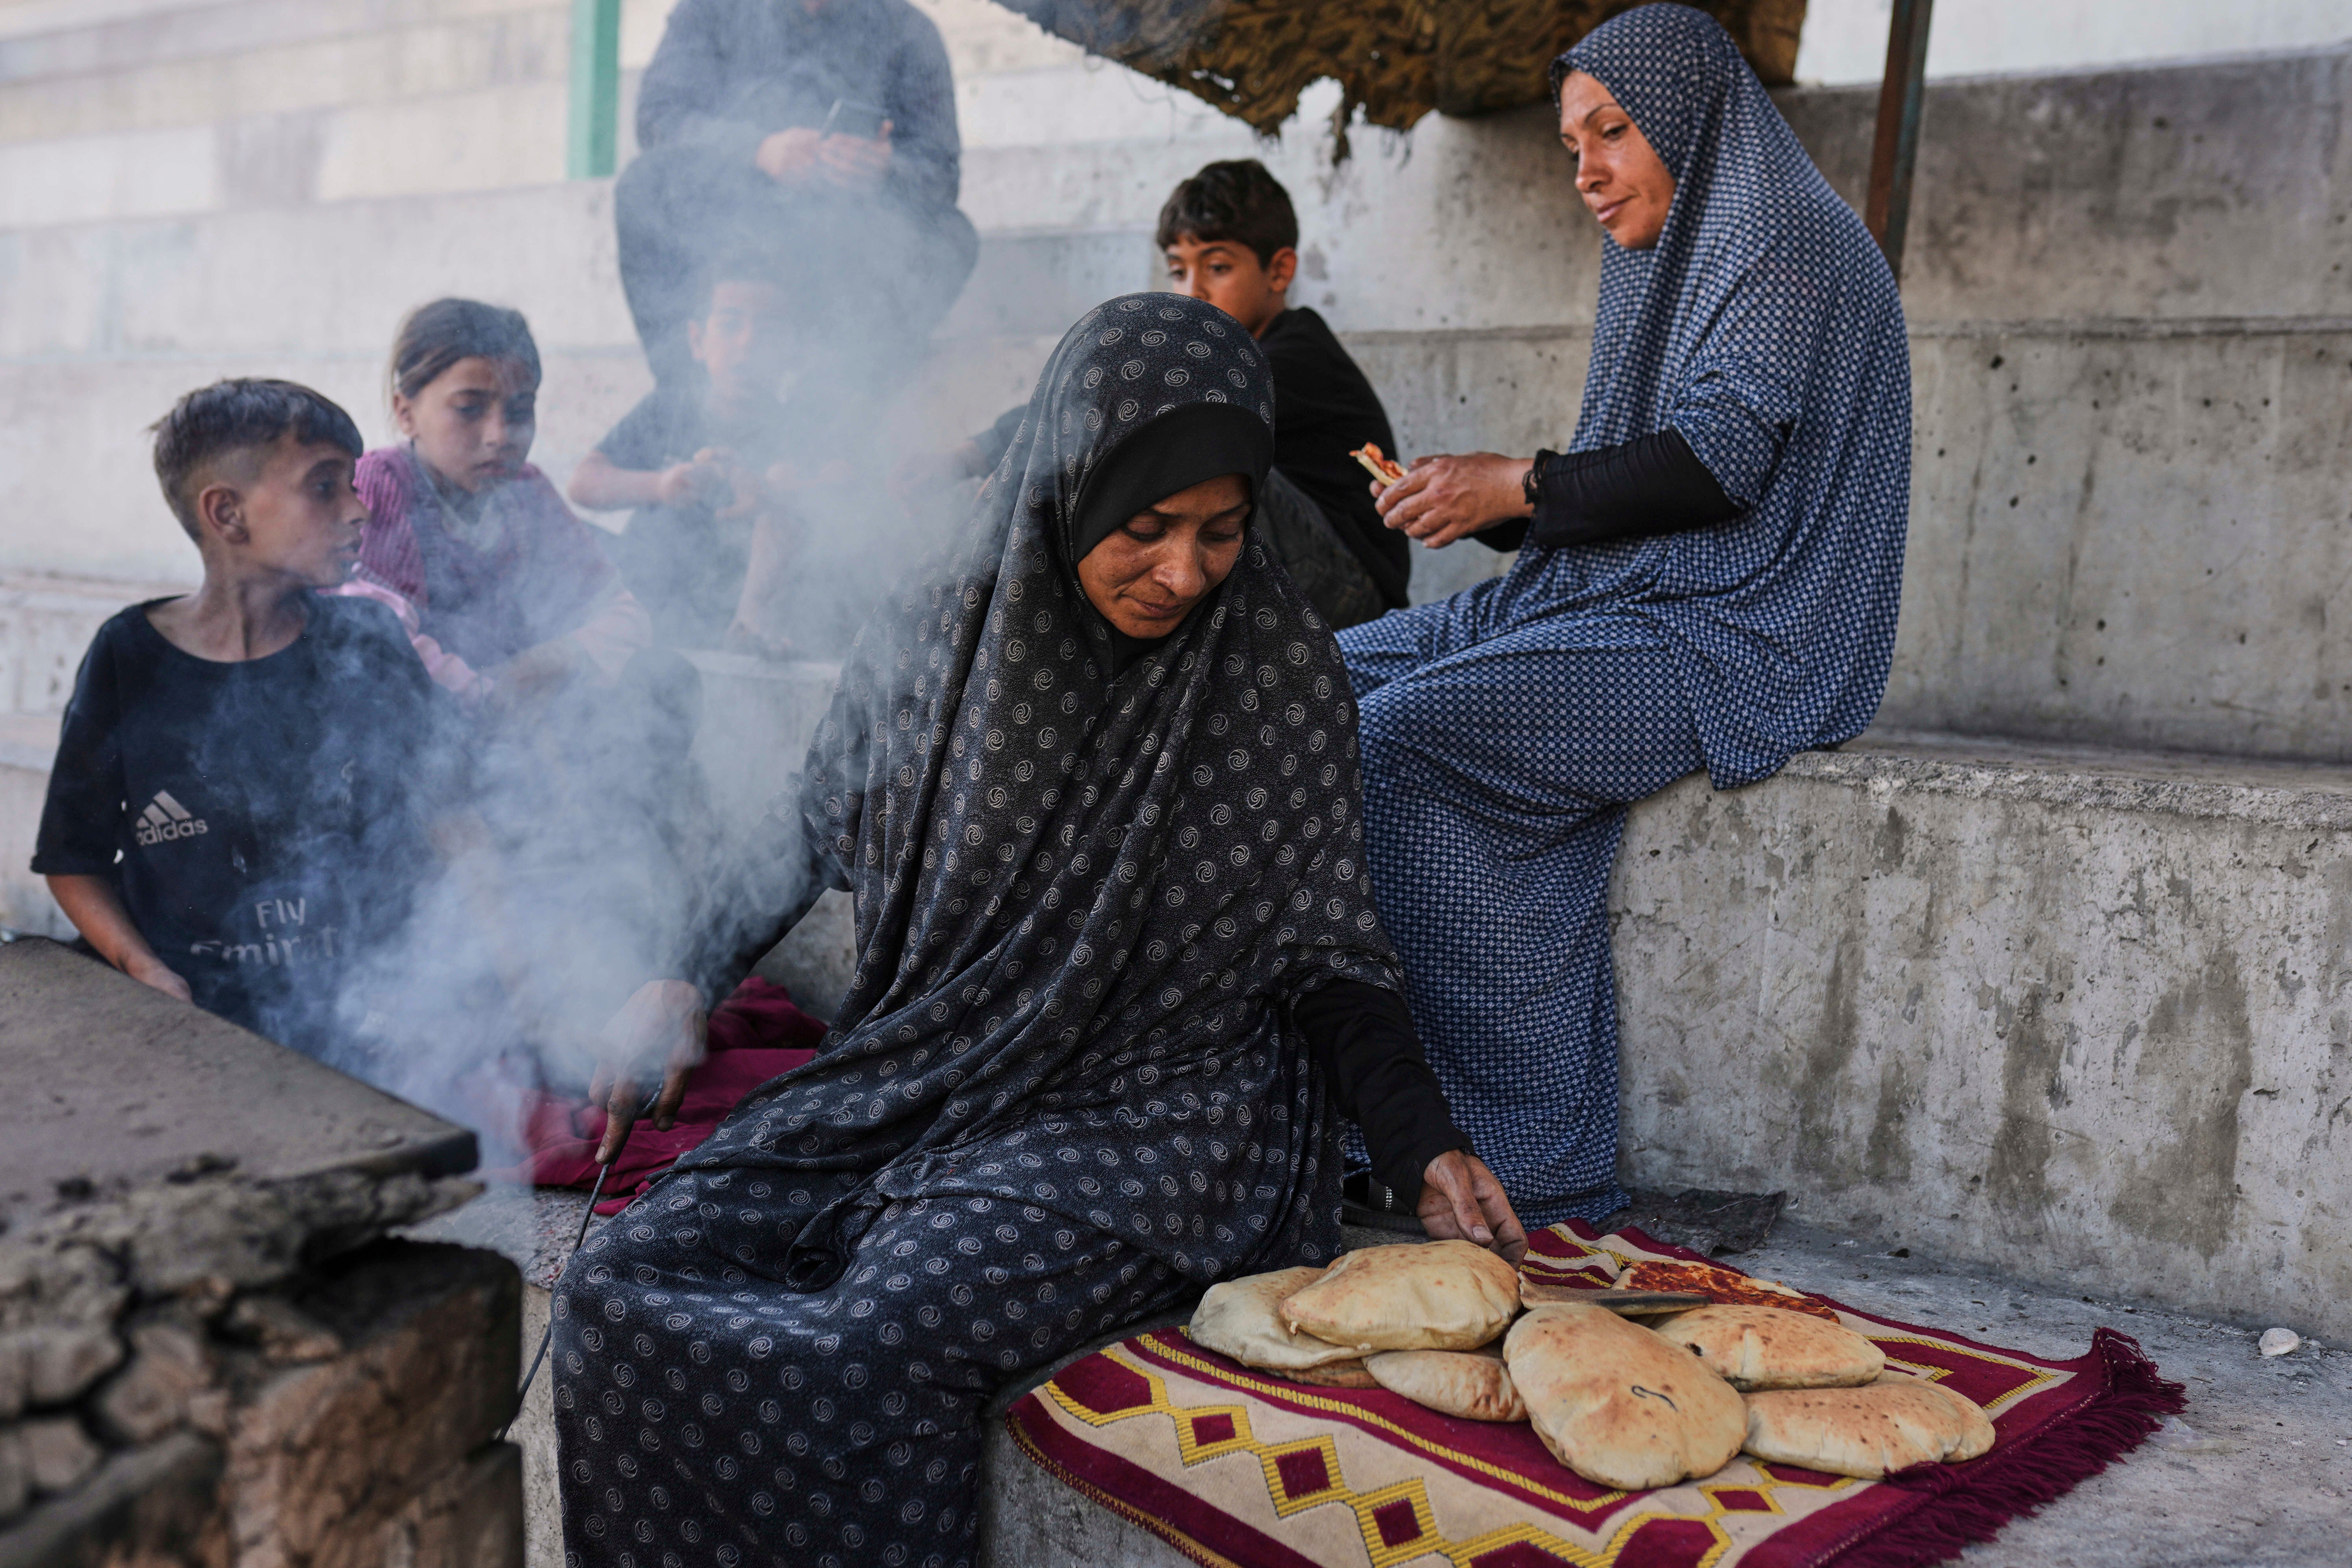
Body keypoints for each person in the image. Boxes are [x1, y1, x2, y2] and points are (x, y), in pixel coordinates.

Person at [551, 293, 1526, 1567]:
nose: (1183, 573)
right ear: (1066, 483)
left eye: (1222, 532)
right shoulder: (935, 629)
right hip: (930, 1067)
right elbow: (807, 825)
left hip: (1159, 1107)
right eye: (1146, 528)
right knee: (620, 1287)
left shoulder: (1274, 668)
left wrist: (1418, 1140)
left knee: (875, 1340)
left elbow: (1328, 950)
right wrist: (682, 974)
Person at [1339, 6, 1912, 1226]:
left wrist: (1520, 486)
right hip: (1615, 595)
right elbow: (1625, 484)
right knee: (1307, 683)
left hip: (1740, 636)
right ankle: (1339, 1111)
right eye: (1570, 144)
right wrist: (1478, 500)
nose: (1589, 169)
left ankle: (1529, 1155)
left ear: (1693, 121)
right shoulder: (1679, 239)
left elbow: (1717, 468)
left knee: (1402, 740)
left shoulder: (1776, 239)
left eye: (1614, 131)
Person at [32, 380, 462, 1057]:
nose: (360, 509)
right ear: (227, 515)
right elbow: (73, 859)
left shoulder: (368, 639)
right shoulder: (130, 656)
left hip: (360, 1002)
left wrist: (449, 973)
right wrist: (147, 972)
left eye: (352, 484)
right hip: (194, 1013)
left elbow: (450, 818)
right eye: (325, 487)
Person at [932, 160, 1408, 632]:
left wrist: (1001, 471)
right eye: (1179, 272)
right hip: (1290, 571)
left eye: (1218, 268)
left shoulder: (1295, 357)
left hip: (1349, 590)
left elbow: (1115, 402)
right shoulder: (1223, 361)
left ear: (1280, 271)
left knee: (1181, 436)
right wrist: (976, 456)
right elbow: (1097, 391)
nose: (1194, 291)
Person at [617, 0, 980, 390]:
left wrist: (884, 169)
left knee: (952, 237)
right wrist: (758, 151)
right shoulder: (711, 10)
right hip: (733, 224)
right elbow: (660, 118)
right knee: (643, 186)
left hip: (849, 241)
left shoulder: (908, 30)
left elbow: (942, 172)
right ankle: (688, 399)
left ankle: (834, 408)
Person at [340, 299, 653, 711]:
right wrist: (493, 696)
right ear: (406, 412)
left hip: (523, 726)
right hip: (424, 725)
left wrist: (546, 664)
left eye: (520, 411)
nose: (500, 435)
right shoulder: (377, 489)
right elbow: (379, 642)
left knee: (665, 678)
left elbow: (621, 613)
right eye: (469, 408)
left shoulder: (529, 492)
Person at [569, 256, 845, 651]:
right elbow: (583, 484)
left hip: (727, 607)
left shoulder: (798, 429)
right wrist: (660, 485)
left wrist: (769, 491)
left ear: (794, 352)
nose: (749, 342)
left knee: (787, 482)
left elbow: (843, 488)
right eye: (731, 325)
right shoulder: (668, 409)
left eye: (769, 331)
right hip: (649, 595)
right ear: (697, 341)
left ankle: (749, 628)